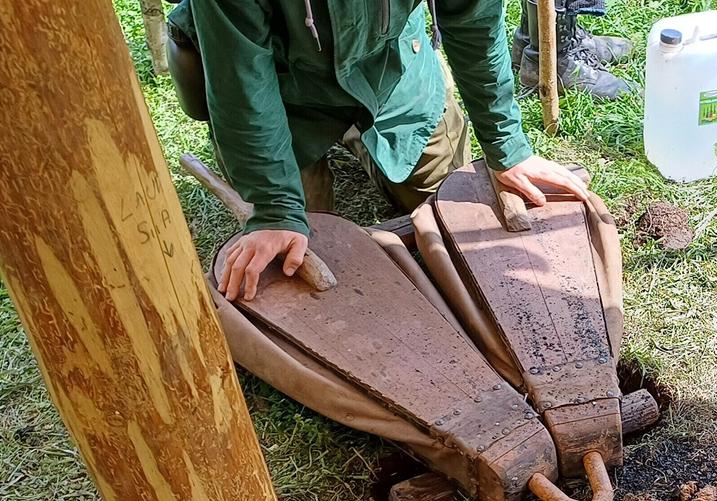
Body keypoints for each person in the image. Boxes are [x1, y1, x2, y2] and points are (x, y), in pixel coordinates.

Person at [165, 0, 591, 302]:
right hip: (281, 85)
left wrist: (507, 146)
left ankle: (362, 134)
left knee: (453, 205)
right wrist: (275, 207)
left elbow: (473, 19)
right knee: (296, 255)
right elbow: (242, 77)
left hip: (388, 66)